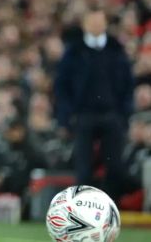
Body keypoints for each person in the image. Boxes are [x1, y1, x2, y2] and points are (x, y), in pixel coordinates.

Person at [54, 10, 134, 200]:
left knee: (114, 166)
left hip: (111, 114)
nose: (96, 25)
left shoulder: (115, 49)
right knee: (83, 168)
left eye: (100, 21)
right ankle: (82, 209)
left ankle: (111, 208)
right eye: (92, 21)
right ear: (85, 25)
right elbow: (61, 86)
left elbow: (128, 84)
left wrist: (124, 114)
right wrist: (66, 117)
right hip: (83, 115)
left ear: (105, 24)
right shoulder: (74, 51)